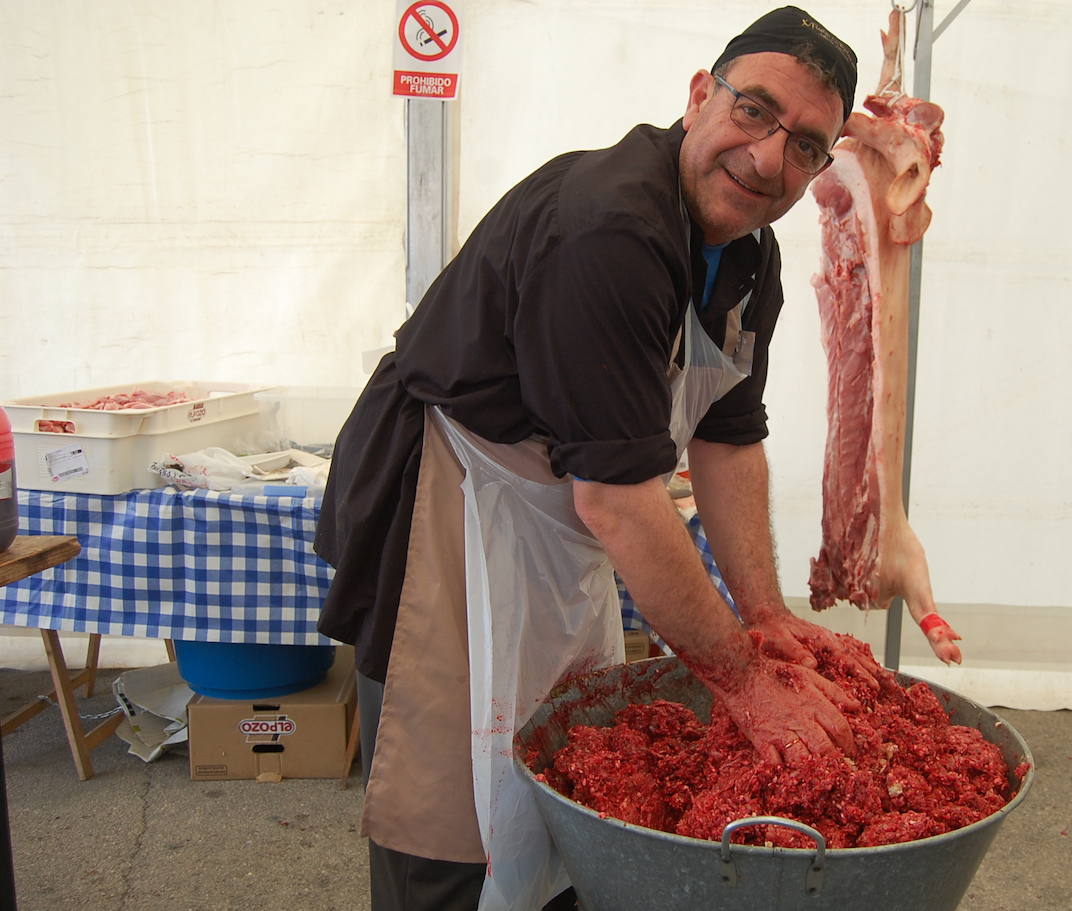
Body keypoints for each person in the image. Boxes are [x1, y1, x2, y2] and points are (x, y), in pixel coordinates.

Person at [314, 7, 885, 910]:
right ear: (701, 96)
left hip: (557, 513)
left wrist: (765, 612)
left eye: (807, 146)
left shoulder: (747, 258)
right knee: (450, 816)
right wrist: (742, 681)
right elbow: (618, 502)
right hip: (455, 502)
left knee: (564, 781)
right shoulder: (608, 228)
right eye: (754, 113)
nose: (769, 159)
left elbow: (728, 435)